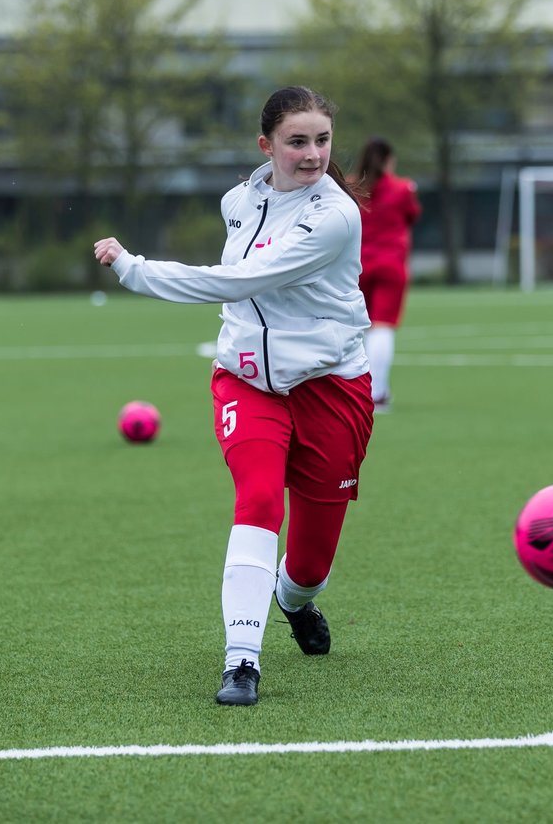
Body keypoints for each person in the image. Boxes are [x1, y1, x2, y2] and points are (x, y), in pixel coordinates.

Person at [93, 86, 374, 707]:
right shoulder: (238, 201)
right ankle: (241, 662)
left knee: (309, 565)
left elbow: (240, 278)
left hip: (331, 390)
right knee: (256, 501)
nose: (312, 154)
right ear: (266, 144)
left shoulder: (336, 217)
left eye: (322, 140)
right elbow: (239, 288)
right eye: (297, 141)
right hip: (246, 382)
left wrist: (134, 268)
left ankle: (292, 601)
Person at [353, 138, 421, 411]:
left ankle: (352, 390)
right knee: (381, 326)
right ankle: (377, 392)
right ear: (389, 159)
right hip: (390, 264)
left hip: (355, 265)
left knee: (355, 328)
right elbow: (412, 216)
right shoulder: (402, 188)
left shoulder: (350, 187)